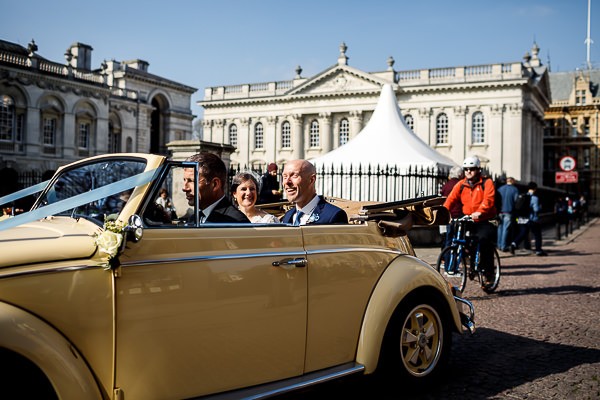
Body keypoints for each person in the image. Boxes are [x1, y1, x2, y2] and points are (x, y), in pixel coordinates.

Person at [443, 156, 497, 279]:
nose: (468, 171)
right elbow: (450, 199)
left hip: (484, 219)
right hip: (468, 219)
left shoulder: (486, 183)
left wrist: (480, 211)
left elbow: (488, 200)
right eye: (466, 169)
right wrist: (443, 212)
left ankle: (489, 274)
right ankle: (471, 265)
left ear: (478, 169)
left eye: (471, 169)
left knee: (484, 242)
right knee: (466, 241)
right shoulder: (461, 184)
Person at [182, 152, 249, 223]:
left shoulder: (235, 222)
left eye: (192, 181)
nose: (184, 188)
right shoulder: (194, 219)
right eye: (184, 180)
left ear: (215, 184)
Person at [281, 159, 348, 225]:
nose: (287, 182)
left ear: (311, 180)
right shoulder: (288, 216)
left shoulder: (334, 215)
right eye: (285, 177)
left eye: (294, 176)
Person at [510, 181, 547, 256]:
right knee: (537, 234)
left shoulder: (522, 196)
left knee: (522, 233)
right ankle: (538, 250)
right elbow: (536, 209)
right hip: (532, 219)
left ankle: (514, 244)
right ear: (535, 188)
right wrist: (540, 207)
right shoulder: (534, 198)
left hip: (521, 219)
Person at [440, 166, 464, 248]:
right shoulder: (461, 184)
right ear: (460, 174)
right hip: (459, 214)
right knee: (459, 237)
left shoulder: (446, 185)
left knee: (449, 238)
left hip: (448, 214)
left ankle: (447, 258)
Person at [497, 177, 519, 252]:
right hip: (509, 211)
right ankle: (503, 246)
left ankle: (499, 245)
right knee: (506, 229)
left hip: (500, 211)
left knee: (499, 228)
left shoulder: (500, 188)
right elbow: (516, 200)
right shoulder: (515, 189)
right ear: (512, 181)